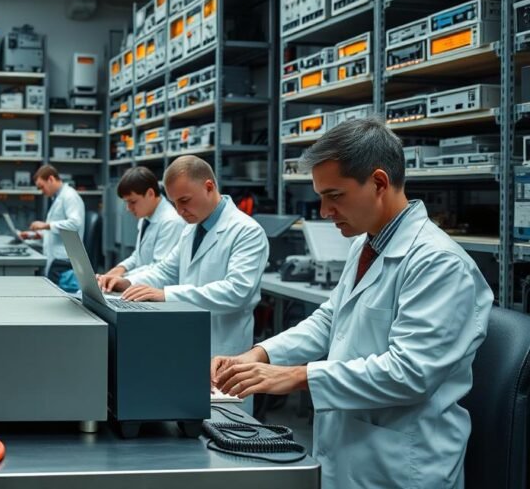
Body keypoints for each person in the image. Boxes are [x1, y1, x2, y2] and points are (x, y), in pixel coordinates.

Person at [211, 118, 492, 489]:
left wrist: (297, 376)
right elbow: (330, 319)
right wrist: (260, 354)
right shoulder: (367, 243)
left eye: (335, 196)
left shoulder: (439, 263)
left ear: (378, 183)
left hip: (401, 465)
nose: (325, 211)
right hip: (351, 448)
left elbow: (409, 373)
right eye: (321, 197)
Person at [97, 156, 268, 412]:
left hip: (224, 347)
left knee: (229, 430)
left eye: (184, 201)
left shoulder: (246, 231)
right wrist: (127, 282)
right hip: (189, 343)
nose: (179, 211)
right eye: (175, 203)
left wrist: (166, 295)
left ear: (209, 187)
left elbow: (237, 292)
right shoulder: (191, 228)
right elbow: (167, 269)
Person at [100, 166, 184, 280]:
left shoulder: (171, 222)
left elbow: (159, 269)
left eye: (132, 202)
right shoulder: (146, 216)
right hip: (141, 284)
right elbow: (138, 256)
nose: (128, 208)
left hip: (157, 290)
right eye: (126, 202)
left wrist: (123, 279)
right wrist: (120, 269)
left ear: (150, 193)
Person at [20, 164, 85, 284]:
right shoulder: (58, 197)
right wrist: (33, 235)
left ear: (51, 179)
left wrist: (46, 225)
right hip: (56, 259)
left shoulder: (70, 196)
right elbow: (57, 231)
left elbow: (75, 224)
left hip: (63, 261)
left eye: (42, 187)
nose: (42, 191)